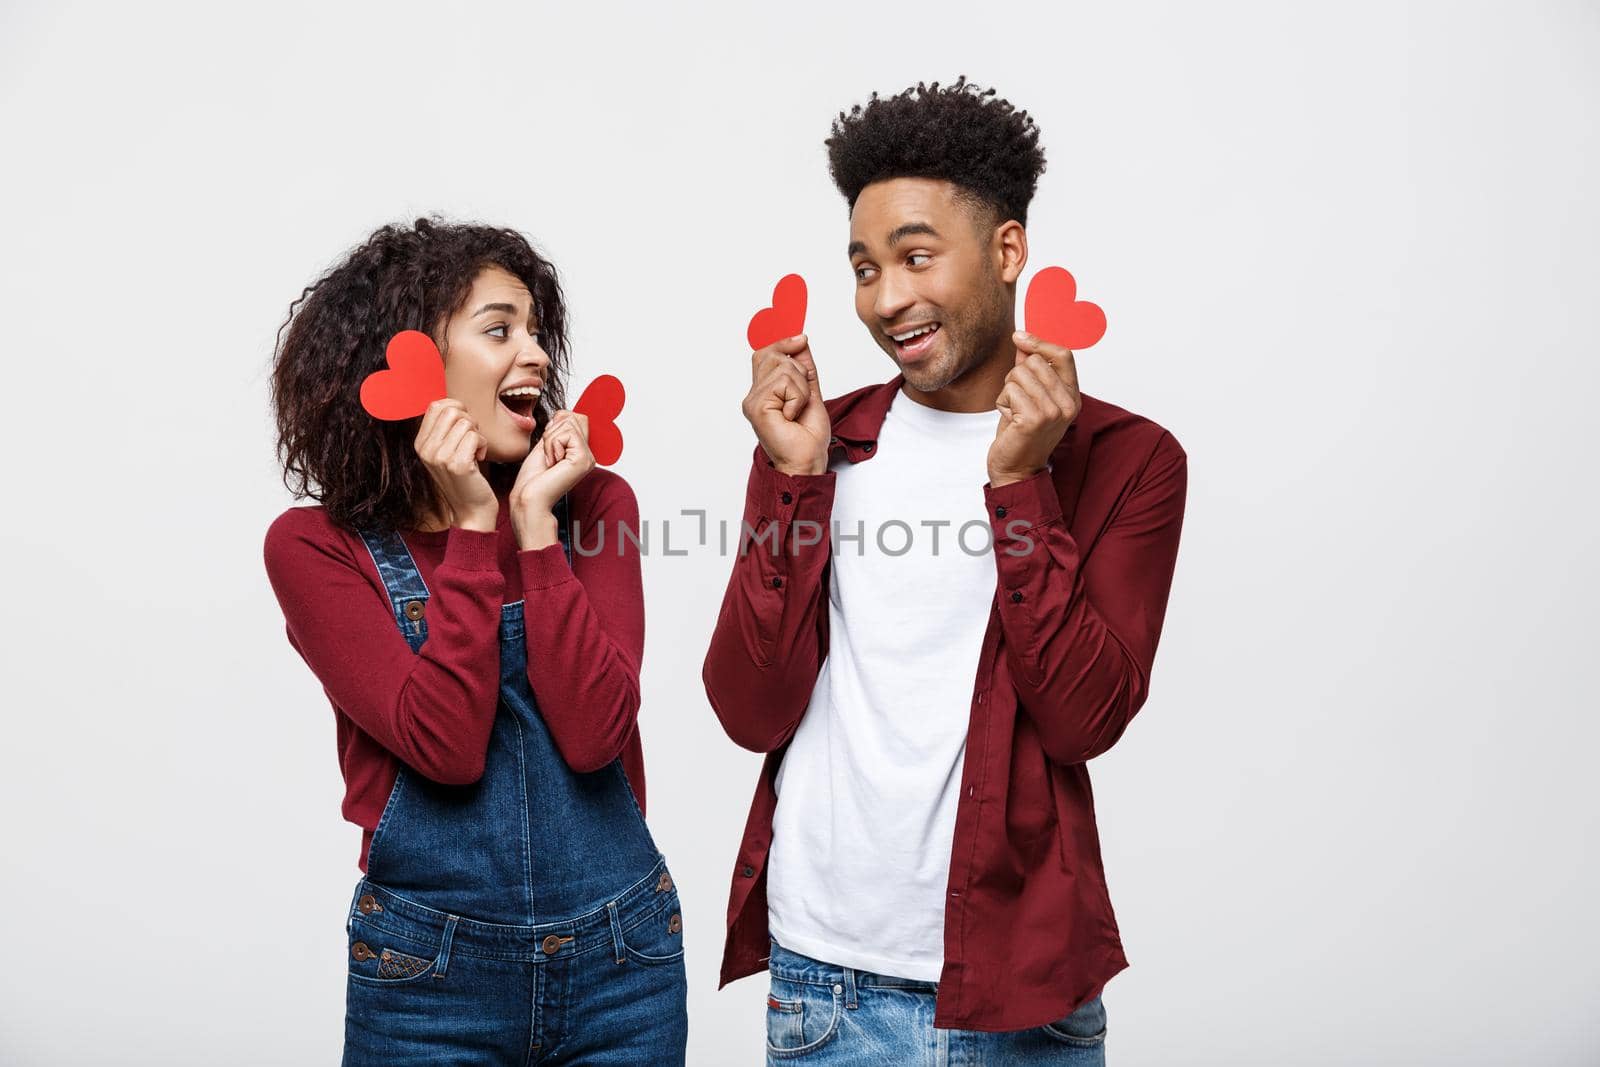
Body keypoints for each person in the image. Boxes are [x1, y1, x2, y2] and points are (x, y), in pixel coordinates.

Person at [702, 78, 1188, 1064]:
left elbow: (1081, 717)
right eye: (864, 266)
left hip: (1023, 993)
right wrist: (793, 480)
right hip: (823, 983)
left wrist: (1017, 484)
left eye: (916, 256)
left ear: (1005, 250)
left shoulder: (1127, 460)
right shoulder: (819, 441)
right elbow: (747, 706)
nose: (885, 299)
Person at [264, 217, 687, 1065]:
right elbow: (447, 744)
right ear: (411, 362)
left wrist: (534, 531)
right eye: (500, 329)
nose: (535, 353)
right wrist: (471, 526)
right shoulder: (314, 547)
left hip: (623, 962)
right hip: (428, 980)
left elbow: (595, 731)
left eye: (536, 330)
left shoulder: (596, 508)